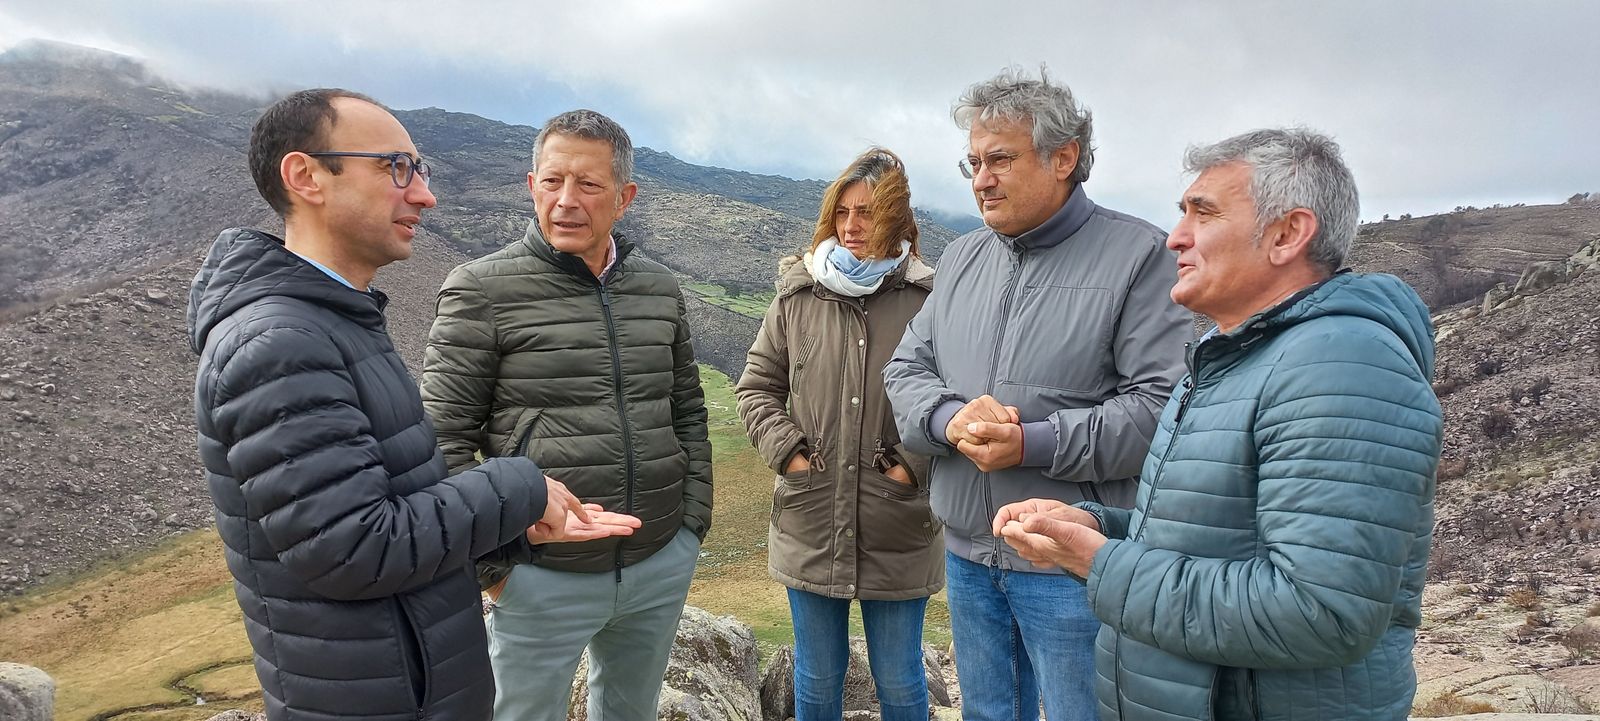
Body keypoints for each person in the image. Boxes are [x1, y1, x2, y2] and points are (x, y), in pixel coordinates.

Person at [188, 88, 638, 721]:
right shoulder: (280, 344)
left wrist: (507, 521)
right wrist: (520, 488)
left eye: (418, 169)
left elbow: (394, 501)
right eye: (395, 168)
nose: (424, 195)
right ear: (306, 176)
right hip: (378, 696)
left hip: (408, 680)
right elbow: (352, 547)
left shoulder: (336, 322)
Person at [996, 128, 1443, 721]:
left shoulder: (1344, 366)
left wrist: (1101, 563)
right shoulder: (1232, 359)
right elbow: (1213, 537)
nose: (1175, 237)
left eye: (1202, 214)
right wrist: (1098, 526)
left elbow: (1321, 611)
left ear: (1287, 234)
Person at [881, 67, 1190, 721]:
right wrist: (949, 419)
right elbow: (905, 369)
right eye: (972, 163)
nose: (981, 180)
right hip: (968, 553)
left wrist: (1031, 443)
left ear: (1064, 158)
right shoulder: (962, 258)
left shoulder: (1140, 256)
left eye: (1000, 159)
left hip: (1070, 559)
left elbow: (1160, 409)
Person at [420, 108, 712, 721]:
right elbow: (441, 441)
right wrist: (494, 569)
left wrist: (690, 525)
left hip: (658, 558)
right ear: (532, 185)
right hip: (539, 574)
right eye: (552, 181)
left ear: (624, 197)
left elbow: (686, 409)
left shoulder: (659, 288)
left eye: (589, 184)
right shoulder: (480, 289)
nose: (566, 200)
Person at [736, 148, 941, 721]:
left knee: (899, 678)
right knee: (817, 675)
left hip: (898, 521)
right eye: (843, 212)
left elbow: (955, 398)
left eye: (867, 213)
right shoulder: (798, 295)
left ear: (896, 218)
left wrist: (911, 466)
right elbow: (756, 387)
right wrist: (790, 454)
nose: (851, 225)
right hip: (811, 516)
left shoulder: (929, 301)